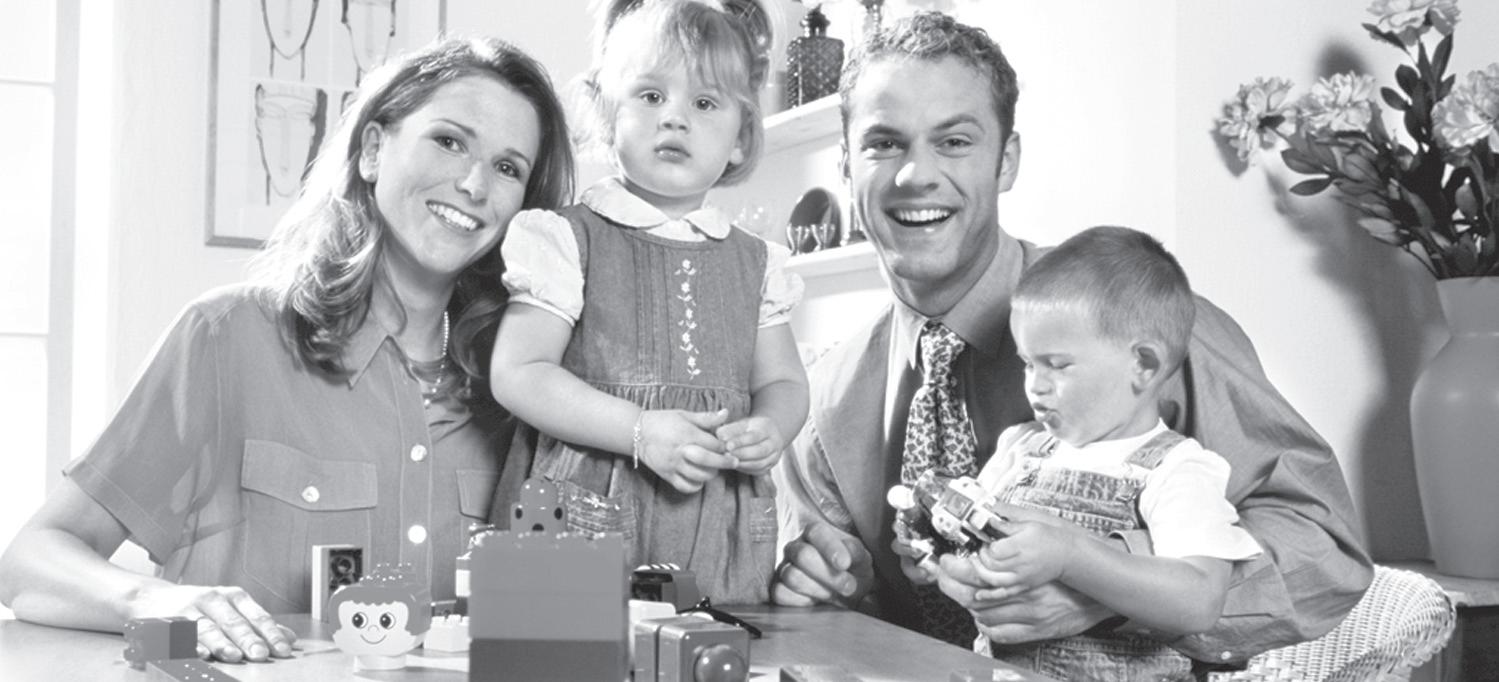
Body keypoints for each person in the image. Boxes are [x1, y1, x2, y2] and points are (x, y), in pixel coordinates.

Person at [772, 10, 1372, 670]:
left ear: (1006, 160)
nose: (916, 175)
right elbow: (834, 611)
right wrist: (837, 587)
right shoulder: (819, 402)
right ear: (846, 166)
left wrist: (1104, 587)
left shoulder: (1138, 326)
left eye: (954, 141)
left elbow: (1325, 551)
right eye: (884, 143)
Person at [0, 37, 574, 663]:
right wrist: (153, 600)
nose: (474, 183)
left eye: (508, 168)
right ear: (373, 150)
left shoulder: (527, 391)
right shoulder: (227, 337)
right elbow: (30, 561)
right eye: (449, 141)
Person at [487, 0, 807, 605]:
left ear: (741, 138)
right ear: (605, 113)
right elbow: (519, 372)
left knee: (716, 645)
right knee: (563, 641)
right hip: (581, 522)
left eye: (705, 103)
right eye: (651, 96)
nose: (675, 119)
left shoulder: (758, 264)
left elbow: (784, 382)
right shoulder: (565, 239)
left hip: (721, 535)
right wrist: (639, 430)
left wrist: (771, 427)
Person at [900, 226, 1264, 680]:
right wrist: (939, 557)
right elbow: (980, 547)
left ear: (1143, 365)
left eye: (1057, 365)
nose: (1035, 385)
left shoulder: (1178, 469)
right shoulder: (1020, 449)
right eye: (1028, 363)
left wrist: (1071, 556)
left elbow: (1199, 601)